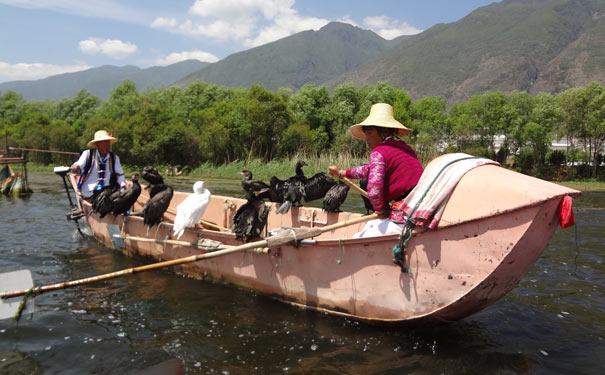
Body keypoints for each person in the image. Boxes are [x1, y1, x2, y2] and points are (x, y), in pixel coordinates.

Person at [329, 103, 423, 226]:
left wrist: (380, 209)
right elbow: (370, 169)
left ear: (383, 132)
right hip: (424, 201)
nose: (366, 138)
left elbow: (373, 190)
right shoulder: (405, 148)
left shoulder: (379, 152)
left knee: (366, 232)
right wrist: (342, 173)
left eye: (369, 133)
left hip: (408, 208)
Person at [71, 130, 126, 200]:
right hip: (90, 191)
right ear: (97, 144)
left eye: (107, 141)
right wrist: (76, 166)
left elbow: (120, 175)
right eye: (103, 141)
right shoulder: (87, 154)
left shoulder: (114, 158)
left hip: (108, 191)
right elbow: (79, 164)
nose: (107, 143)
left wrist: (123, 186)